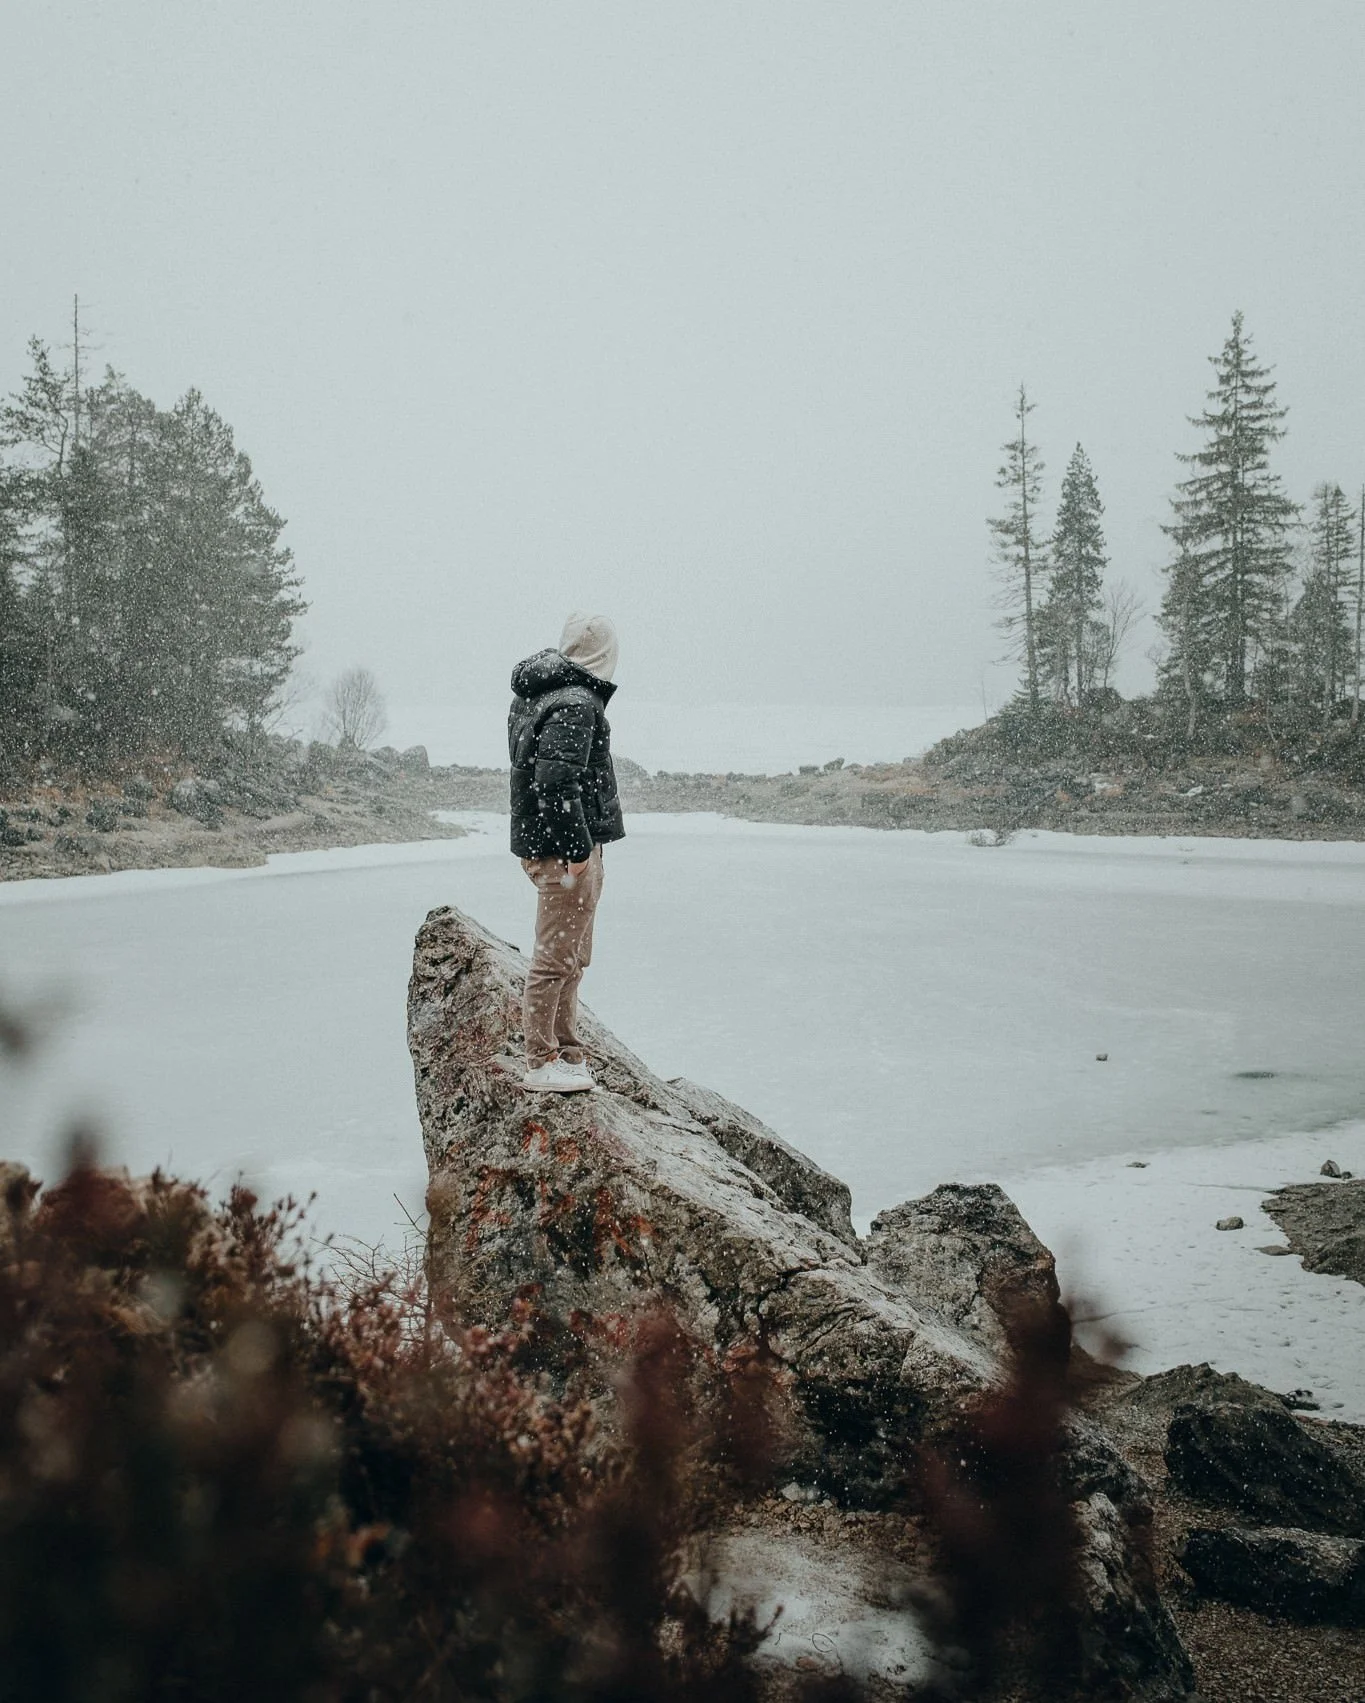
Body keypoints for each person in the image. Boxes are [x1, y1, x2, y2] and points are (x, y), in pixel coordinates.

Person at [508, 612, 624, 1092]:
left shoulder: (539, 692)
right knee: (557, 959)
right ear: (603, 656)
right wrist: (579, 850)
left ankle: (568, 1051)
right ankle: (541, 1062)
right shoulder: (576, 701)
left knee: (572, 957)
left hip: (550, 846)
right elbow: (554, 780)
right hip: (564, 853)